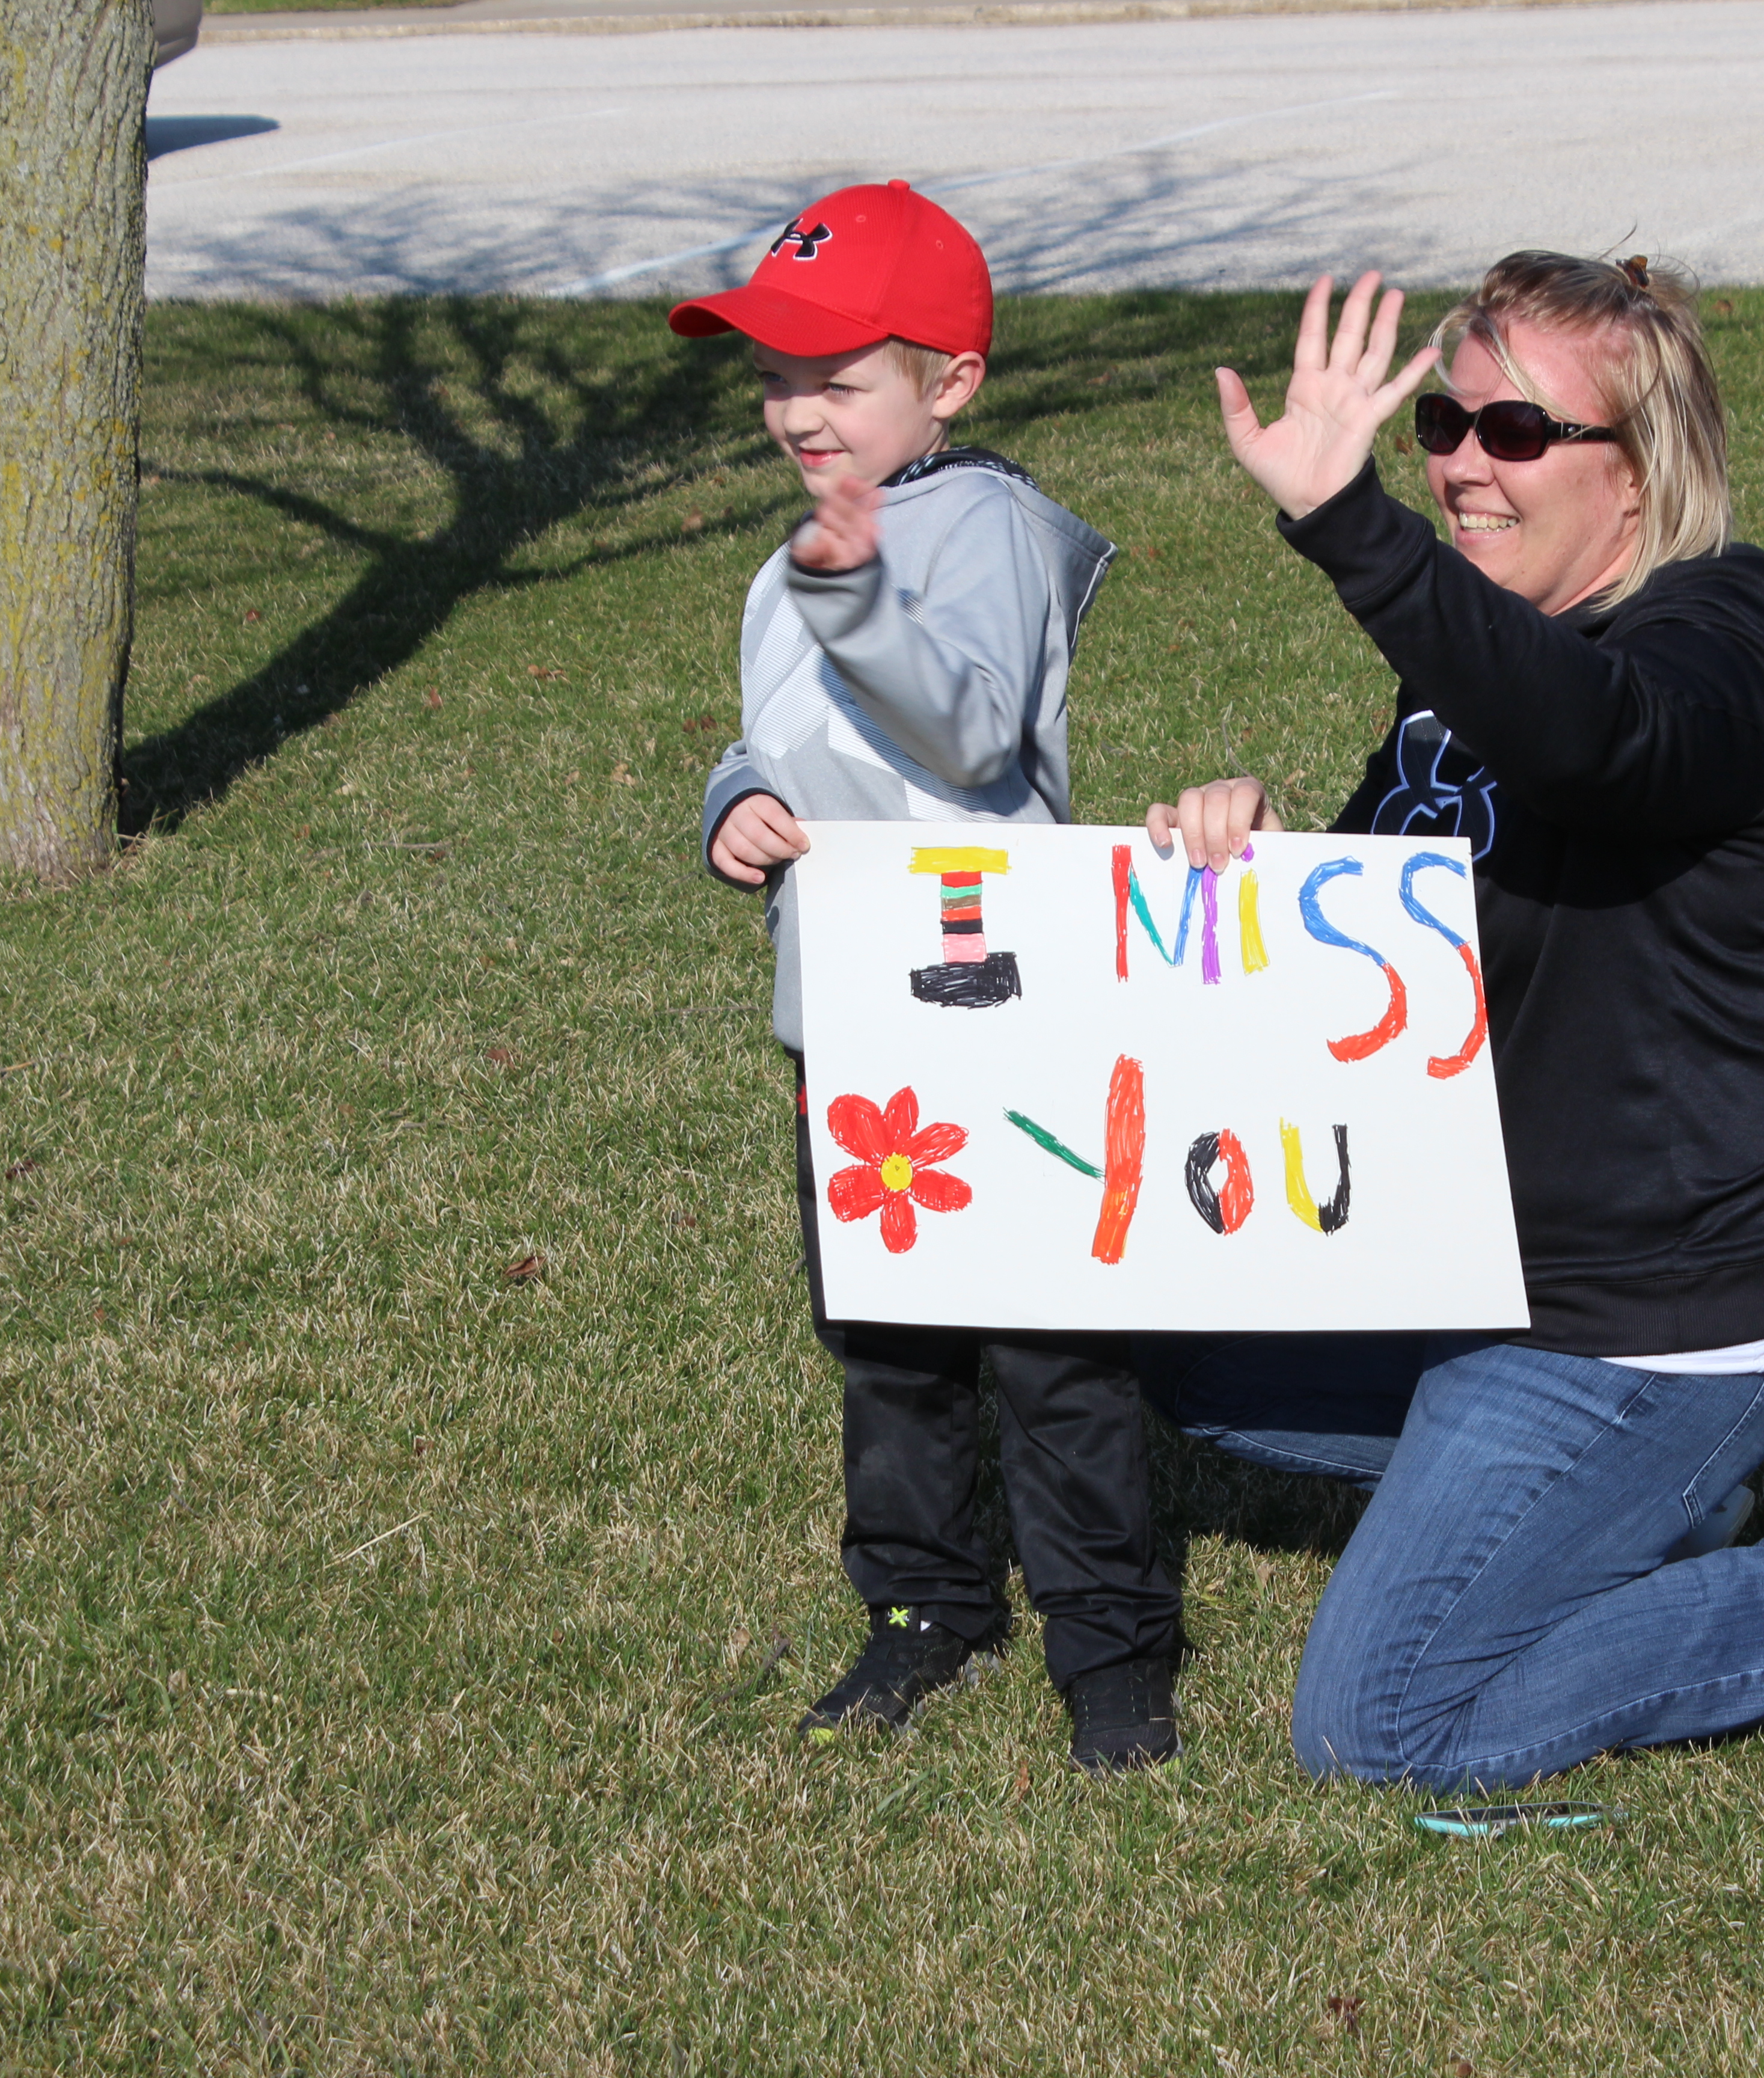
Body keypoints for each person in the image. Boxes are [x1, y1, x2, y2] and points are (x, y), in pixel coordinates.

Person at [1139, 254, 1764, 1790]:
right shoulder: (1477, 660)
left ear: (1638, 471)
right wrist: (1265, 857)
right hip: (1482, 1248)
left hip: (1662, 1309)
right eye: (1444, 431)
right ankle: (1634, 1511)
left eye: (1518, 433)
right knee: (1153, 1336)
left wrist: (1353, 529)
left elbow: (1601, 746)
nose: (1468, 465)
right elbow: (1387, 941)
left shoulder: (1723, 657)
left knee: (1377, 1728)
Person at [678, 181, 1185, 1771]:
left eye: (839, 379)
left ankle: (1111, 1646)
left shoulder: (988, 531)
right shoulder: (806, 557)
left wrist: (851, 590)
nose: (795, 411)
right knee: (889, 1340)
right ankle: (922, 1606)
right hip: (850, 1020)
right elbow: (783, 735)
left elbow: (967, 727)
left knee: (1051, 1353)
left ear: (948, 384)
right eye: (777, 378)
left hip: (995, 1011)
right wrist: (735, 803)